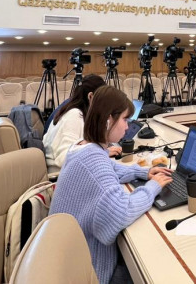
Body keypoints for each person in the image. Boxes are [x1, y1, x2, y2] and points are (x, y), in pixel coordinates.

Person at [50, 86, 173, 283]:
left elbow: (110, 168)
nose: (127, 127)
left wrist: (144, 172)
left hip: (65, 259)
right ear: (109, 120)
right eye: (125, 120)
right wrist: (153, 187)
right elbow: (121, 212)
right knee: (156, 266)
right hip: (89, 269)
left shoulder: (83, 147)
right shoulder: (93, 161)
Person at [43, 75, 121, 172]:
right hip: (59, 174)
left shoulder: (72, 110)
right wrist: (102, 152)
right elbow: (64, 158)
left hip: (67, 171)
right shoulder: (74, 115)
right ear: (91, 96)